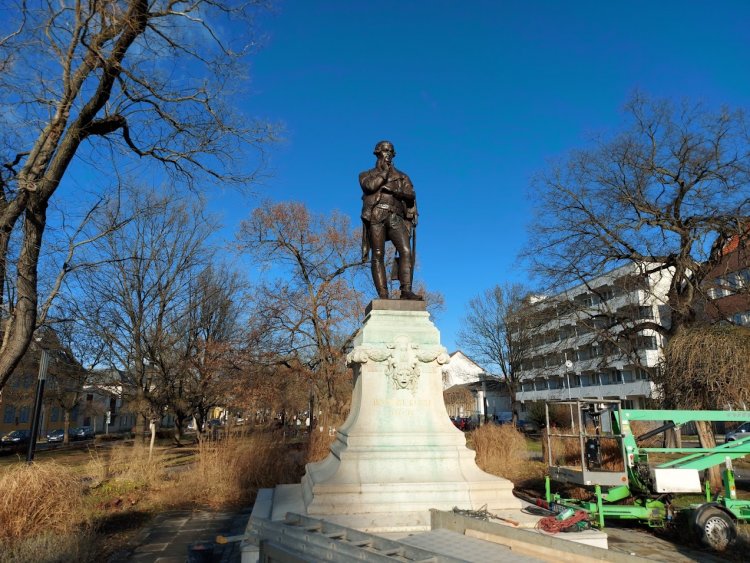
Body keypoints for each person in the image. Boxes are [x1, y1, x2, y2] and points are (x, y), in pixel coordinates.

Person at [359, 140, 422, 300]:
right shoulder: (365, 174)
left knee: (406, 251)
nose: (388, 154)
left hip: (395, 216)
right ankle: (383, 294)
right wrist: (385, 173)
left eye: (390, 152)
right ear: (378, 153)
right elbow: (370, 187)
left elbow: (411, 195)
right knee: (378, 254)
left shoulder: (402, 176)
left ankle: (406, 290)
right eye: (385, 151)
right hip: (376, 215)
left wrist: (397, 192)